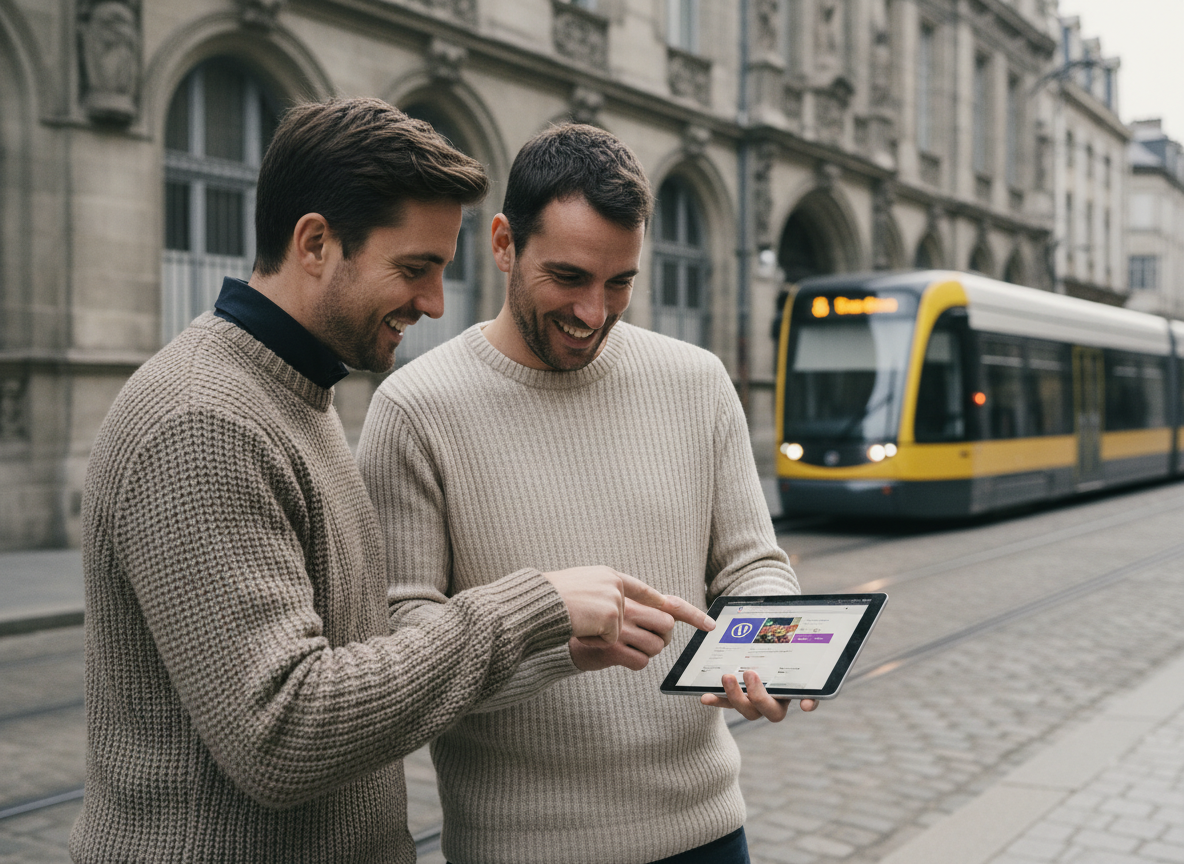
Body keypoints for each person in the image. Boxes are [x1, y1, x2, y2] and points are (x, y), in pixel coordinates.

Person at [71, 100, 710, 864]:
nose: (435, 303)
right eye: (415, 268)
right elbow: (284, 733)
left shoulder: (295, 395)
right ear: (315, 243)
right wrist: (533, 606)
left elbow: (369, 666)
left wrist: (550, 640)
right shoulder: (203, 423)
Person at [357, 123, 816, 864]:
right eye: (568, 277)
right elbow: (406, 644)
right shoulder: (415, 409)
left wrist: (772, 643)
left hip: (706, 833)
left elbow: (752, 562)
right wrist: (555, 642)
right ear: (505, 244)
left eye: (620, 282)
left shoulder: (697, 382)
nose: (594, 313)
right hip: (519, 849)